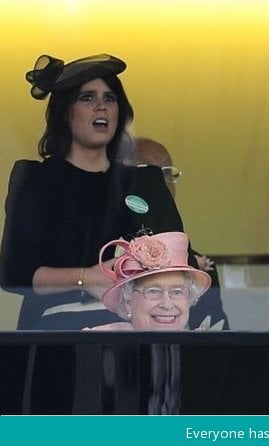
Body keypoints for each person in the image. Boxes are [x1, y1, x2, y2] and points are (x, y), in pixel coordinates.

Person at [0, 54, 186, 330]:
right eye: (88, 98)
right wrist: (87, 277)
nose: (101, 106)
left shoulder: (145, 181)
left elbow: (178, 264)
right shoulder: (37, 179)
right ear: (65, 112)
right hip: (57, 330)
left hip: (137, 331)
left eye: (110, 99)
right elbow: (15, 273)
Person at [116, 136, 230, 329]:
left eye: (167, 173)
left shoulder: (197, 264)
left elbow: (214, 333)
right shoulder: (111, 258)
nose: (160, 182)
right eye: (147, 172)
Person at [83, 231, 224, 331]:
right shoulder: (98, 343)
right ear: (128, 301)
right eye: (153, 291)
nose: (167, 304)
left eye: (177, 292)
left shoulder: (201, 348)